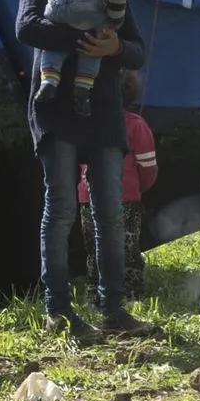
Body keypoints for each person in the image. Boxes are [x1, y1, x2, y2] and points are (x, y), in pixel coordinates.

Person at [17, 0, 156, 342]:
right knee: (61, 209)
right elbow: (26, 26)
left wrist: (114, 48)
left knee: (109, 212)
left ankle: (112, 307)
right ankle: (58, 311)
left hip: (103, 112)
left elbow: (136, 49)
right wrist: (81, 37)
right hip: (55, 108)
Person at [79, 70, 158, 301]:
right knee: (127, 249)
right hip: (126, 198)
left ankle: (94, 294)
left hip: (87, 197)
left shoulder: (83, 124)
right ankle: (131, 294)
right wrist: (136, 188)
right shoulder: (136, 125)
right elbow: (148, 168)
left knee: (94, 250)